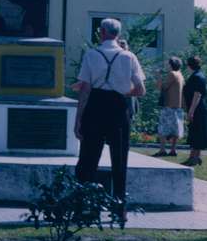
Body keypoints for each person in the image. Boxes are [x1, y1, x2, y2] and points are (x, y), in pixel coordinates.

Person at [74, 18, 145, 219]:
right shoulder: (129, 56)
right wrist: (121, 92)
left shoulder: (91, 54)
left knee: (88, 159)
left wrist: (78, 120)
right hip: (118, 109)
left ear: (102, 32)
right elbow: (140, 90)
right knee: (120, 160)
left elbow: (85, 90)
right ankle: (119, 209)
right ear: (118, 34)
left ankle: (84, 206)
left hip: (95, 107)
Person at [153, 56, 184, 157]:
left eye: (168, 64)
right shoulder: (180, 74)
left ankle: (162, 150)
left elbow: (161, 87)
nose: (166, 66)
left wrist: (158, 76)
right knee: (175, 129)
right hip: (178, 106)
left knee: (163, 128)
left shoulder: (172, 74)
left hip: (169, 105)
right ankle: (173, 150)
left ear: (171, 64)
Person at [182, 55, 207, 166]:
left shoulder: (197, 77)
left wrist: (191, 111)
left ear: (189, 65)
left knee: (196, 133)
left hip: (197, 109)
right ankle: (195, 157)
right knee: (196, 132)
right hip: (197, 108)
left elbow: (197, 94)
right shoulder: (197, 75)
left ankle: (194, 157)